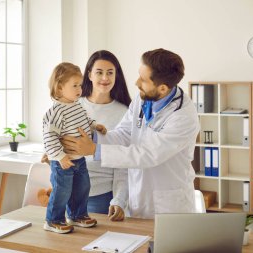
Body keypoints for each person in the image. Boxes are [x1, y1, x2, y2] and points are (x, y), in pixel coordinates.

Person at [61, 48, 200, 219]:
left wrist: (95, 150)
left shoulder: (183, 117)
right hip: (138, 199)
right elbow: (124, 134)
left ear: (163, 88)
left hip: (169, 206)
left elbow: (147, 155)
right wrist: (92, 137)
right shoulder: (143, 99)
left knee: (165, 245)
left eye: (143, 79)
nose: (136, 82)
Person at [42, 62, 106, 234]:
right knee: (62, 191)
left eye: (80, 85)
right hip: (63, 162)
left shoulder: (77, 105)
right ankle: (53, 220)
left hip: (80, 159)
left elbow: (84, 122)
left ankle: (77, 215)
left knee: (82, 187)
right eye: (75, 85)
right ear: (60, 87)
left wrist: (95, 126)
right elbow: (49, 136)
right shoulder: (56, 112)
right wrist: (60, 157)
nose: (80, 89)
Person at [79, 50, 131, 221]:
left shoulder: (124, 113)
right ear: (89, 75)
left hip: (101, 197)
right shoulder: (73, 105)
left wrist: (119, 200)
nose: (105, 78)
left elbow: (123, 165)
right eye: (99, 72)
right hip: (69, 191)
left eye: (110, 73)